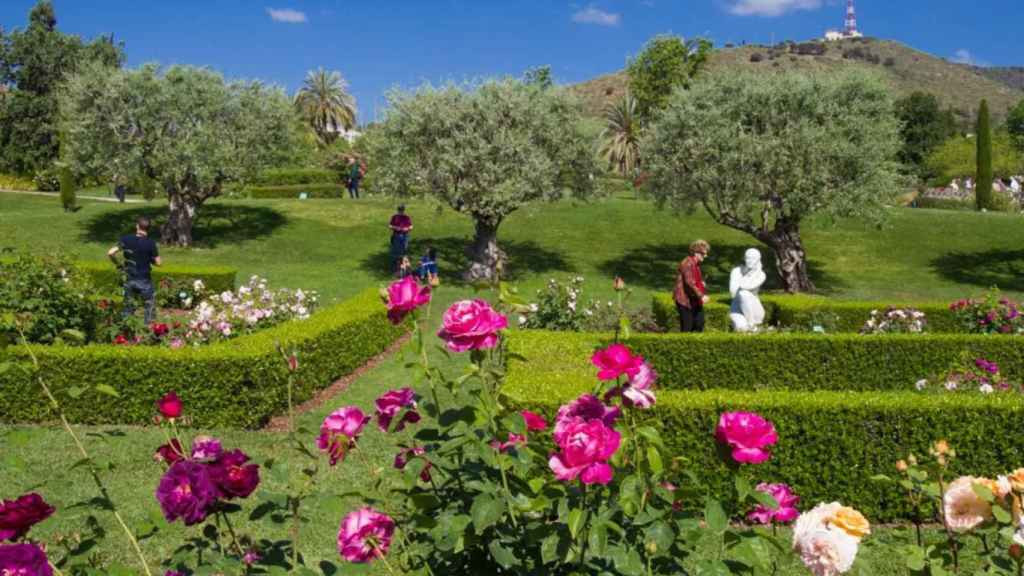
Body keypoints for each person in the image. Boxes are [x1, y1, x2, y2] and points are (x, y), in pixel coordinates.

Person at [108, 216, 161, 324]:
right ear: (148, 228)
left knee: (128, 307)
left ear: (137, 226)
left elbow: (111, 252)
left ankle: (125, 331)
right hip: (144, 280)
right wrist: (150, 259)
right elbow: (159, 263)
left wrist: (119, 264)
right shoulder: (151, 243)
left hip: (130, 278)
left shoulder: (126, 239)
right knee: (149, 307)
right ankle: (148, 332)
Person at [674, 240, 710, 333]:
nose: (705, 256)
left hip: (694, 299)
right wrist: (701, 296)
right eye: (703, 254)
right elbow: (689, 282)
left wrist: (701, 283)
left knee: (699, 323)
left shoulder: (696, 264)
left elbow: (694, 280)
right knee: (687, 328)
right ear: (696, 252)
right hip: (685, 300)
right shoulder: (687, 263)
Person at [389, 204, 413, 273]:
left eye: (402, 210)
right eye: (400, 210)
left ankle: (405, 268)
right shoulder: (394, 217)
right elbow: (390, 225)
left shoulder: (406, 217)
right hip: (396, 235)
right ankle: (396, 267)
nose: (401, 212)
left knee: (404, 250)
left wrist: (407, 228)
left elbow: (411, 226)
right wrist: (395, 227)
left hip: (404, 235)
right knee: (396, 251)